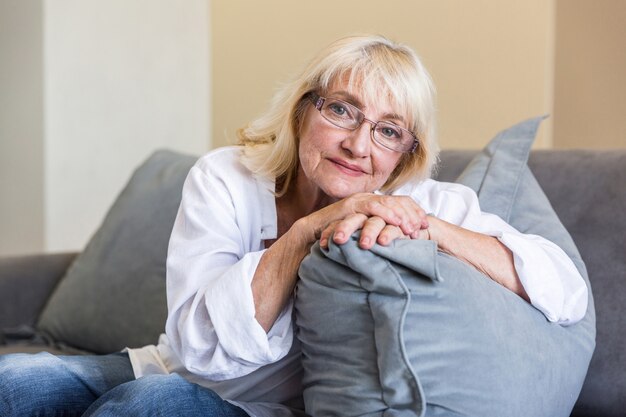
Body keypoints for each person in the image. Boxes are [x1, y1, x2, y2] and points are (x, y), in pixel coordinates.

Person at [0, 34, 587, 417]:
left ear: (406, 152)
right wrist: (310, 230)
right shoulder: (226, 178)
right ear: (304, 110)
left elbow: (566, 292)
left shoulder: (420, 202)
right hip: (173, 367)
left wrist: (433, 230)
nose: (359, 145)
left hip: (265, 409)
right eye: (342, 111)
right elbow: (198, 350)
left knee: (142, 409)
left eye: (388, 130)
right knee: (16, 385)